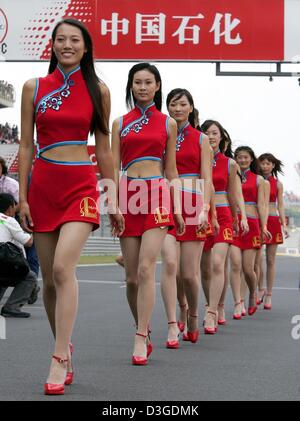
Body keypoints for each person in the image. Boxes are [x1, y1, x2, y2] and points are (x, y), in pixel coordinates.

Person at [19, 18, 124, 395]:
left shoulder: (98, 89)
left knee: (64, 267)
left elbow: (105, 148)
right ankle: (65, 347)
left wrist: (113, 197)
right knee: (49, 281)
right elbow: (27, 146)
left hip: (81, 185)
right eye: (60, 39)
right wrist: (24, 196)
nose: (67, 45)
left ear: (85, 47)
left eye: (74, 40)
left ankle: (59, 355)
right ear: (52, 45)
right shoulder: (34, 88)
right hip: (43, 186)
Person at [112, 63, 184, 365]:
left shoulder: (168, 123)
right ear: (131, 86)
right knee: (131, 278)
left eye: (148, 82)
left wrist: (178, 207)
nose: (142, 87)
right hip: (128, 195)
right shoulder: (119, 123)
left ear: (157, 86)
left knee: (145, 269)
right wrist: (112, 204)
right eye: (137, 82)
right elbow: (113, 168)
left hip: (156, 193)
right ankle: (141, 325)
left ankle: (141, 336)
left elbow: (172, 170)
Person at [164, 89, 211, 345]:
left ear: (191, 108)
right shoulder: (162, 133)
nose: (178, 108)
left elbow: (207, 178)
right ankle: (174, 318)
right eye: (173, 104)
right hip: (167, 203)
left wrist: (205, 208)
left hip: (194, 202)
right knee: (171, 266)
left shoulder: (201, 139)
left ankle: (193, 313)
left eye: (183, 104)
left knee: (188, 274)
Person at [200, 120, 239, 334]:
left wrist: (236, 218)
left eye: (215, 133)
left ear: (221, 137)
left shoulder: (230, 164)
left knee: (217, 263)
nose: (211, 136)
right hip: (204, 215)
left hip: (223, 215)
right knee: (205, 269)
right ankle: (213, 303)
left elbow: (233, 194)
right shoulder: (197, 158)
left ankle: (212, 311)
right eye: (207, 132)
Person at [232, 146, 271, 316]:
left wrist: (264, 226)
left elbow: (262, 205)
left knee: (248, 268)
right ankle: (237, 302)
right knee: (235, 265)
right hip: (234, 225)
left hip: (252, 225)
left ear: (251, 159)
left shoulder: (259, 180)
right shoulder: (231, 176)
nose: (242, 160)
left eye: (245, 157)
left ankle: (253, 292)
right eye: (239, 157)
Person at [257, 153, 288, 310]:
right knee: (256, 259)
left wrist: (284, 223)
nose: (265, 166)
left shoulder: (278, 184)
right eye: (263, 163)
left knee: (270, 260)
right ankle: (260, 288)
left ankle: (269, 293)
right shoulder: (255, 180)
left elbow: (280, 205)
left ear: (273, 165)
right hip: (258, 221)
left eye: (268, 163)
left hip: (273, 220)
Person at [0, 193, 37, 318]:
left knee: (4, 277)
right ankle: (12, 307)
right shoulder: (8, 220)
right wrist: (34, 231)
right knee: (29, 277)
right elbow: (28, 242)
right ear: (10, 208)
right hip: (3, 260)